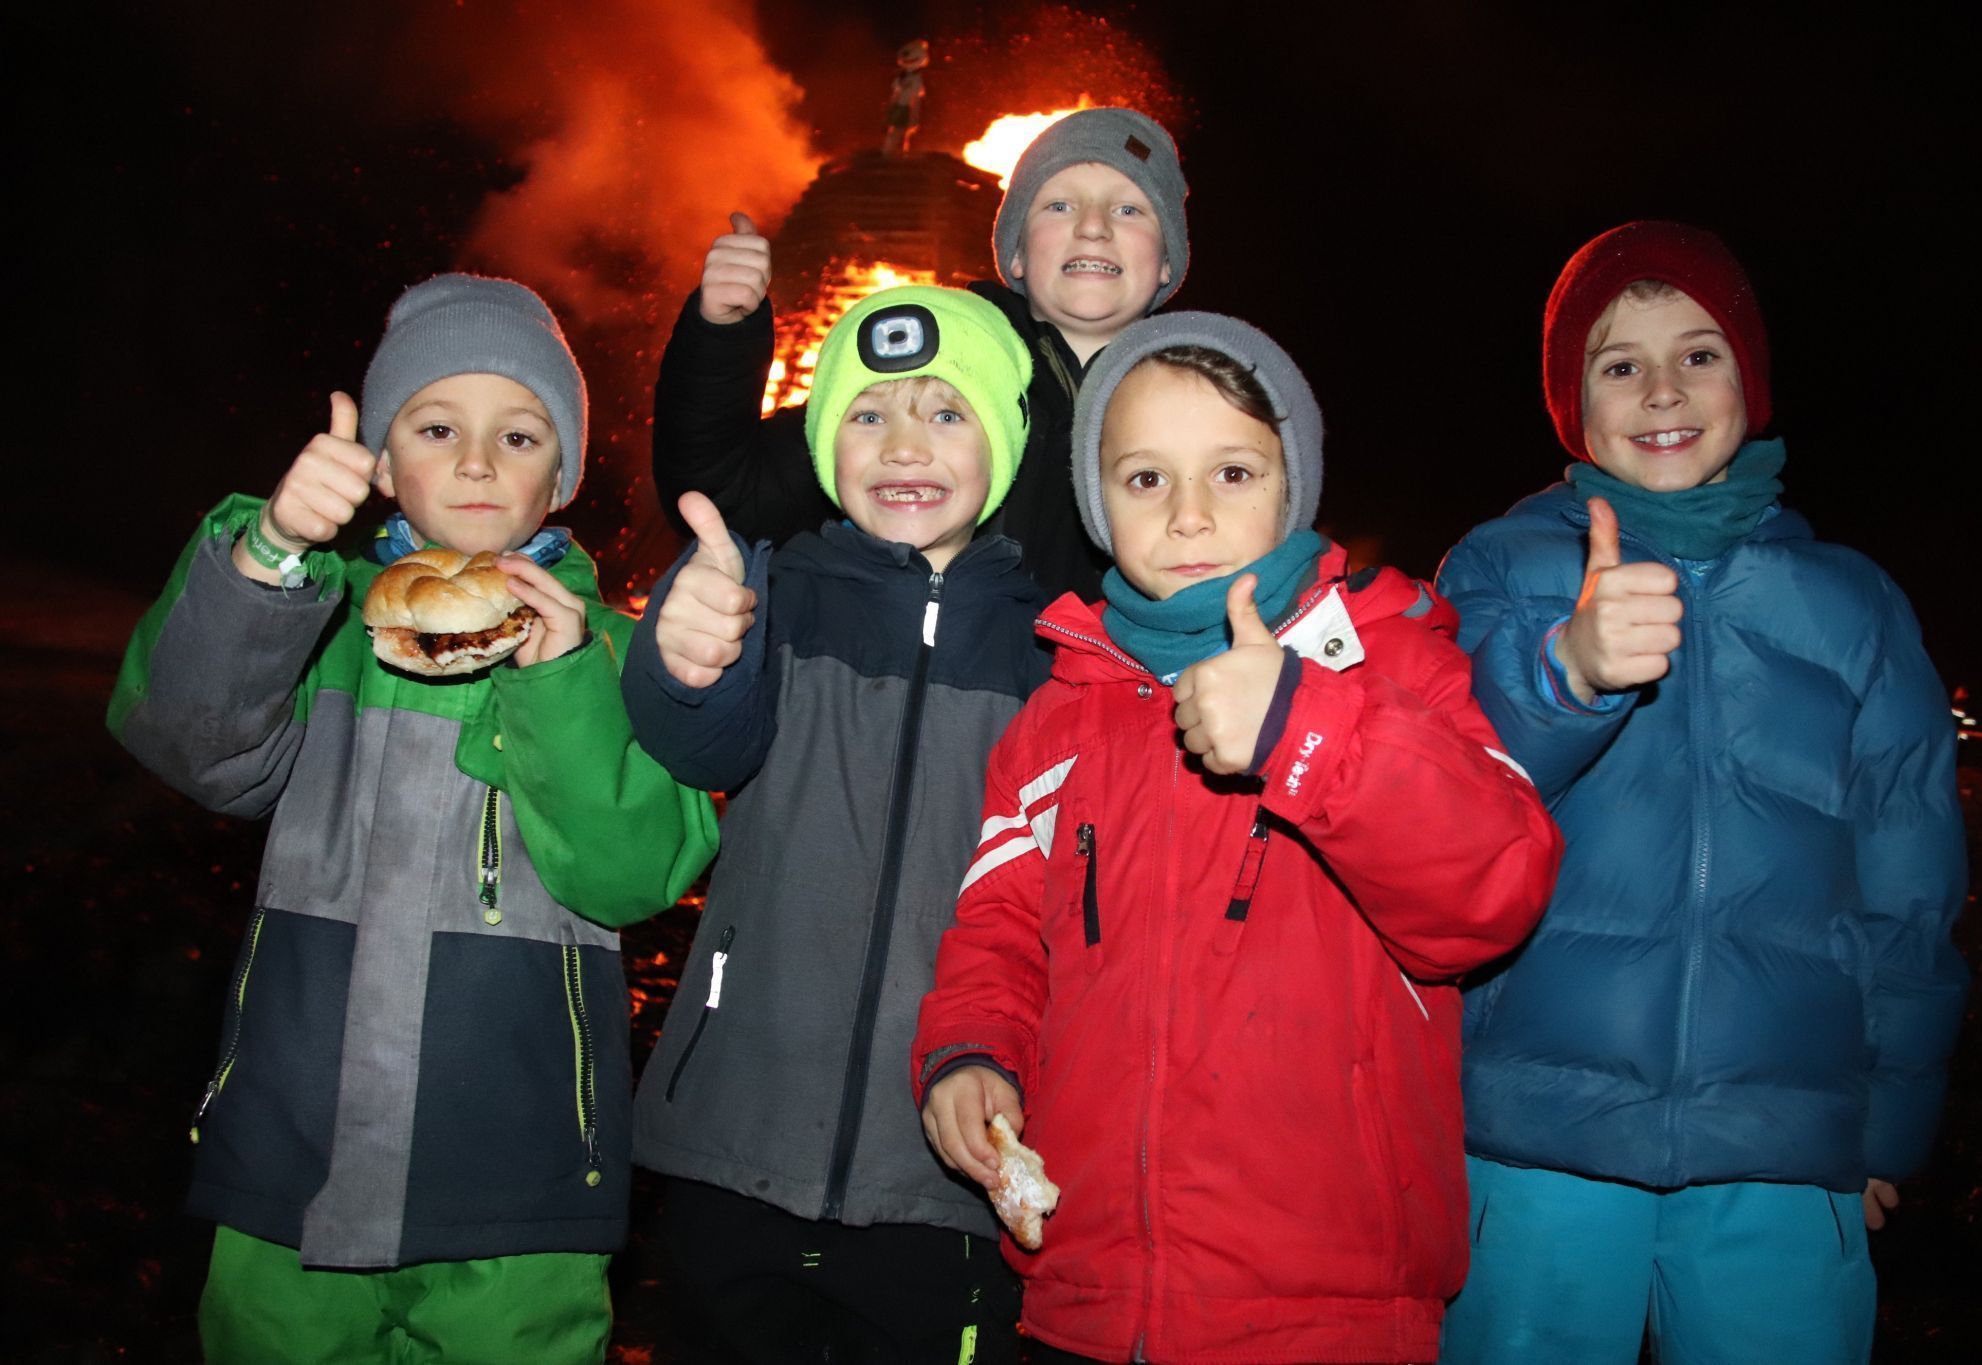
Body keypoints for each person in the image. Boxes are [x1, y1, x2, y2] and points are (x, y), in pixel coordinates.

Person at [912, 314, 1563, 1363]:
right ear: (1096, 503)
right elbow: (998, 931)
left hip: (1326, 1303)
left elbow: (1492, 892)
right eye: (1144, 479)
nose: (1187, 515)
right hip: (1084, 1294)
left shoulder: (1390, 665)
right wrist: (971, 1056)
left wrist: (1309, 731)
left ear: (1291, 483)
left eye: (1231, 472)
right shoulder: (1056, 718)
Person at [107, 274, 719, 1363]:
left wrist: (560, 684)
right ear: (382, 464)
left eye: (519, 435)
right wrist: (268, 555)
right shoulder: (320, 621)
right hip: (289, 1161)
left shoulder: (616, 651)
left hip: (517, 1183)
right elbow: (193, 744)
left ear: (561, 477)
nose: (478, 462)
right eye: (438, 428)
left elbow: (631, 874)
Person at [1433, 220, 1970, 1364]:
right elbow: (1441, 797)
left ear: (1749, 380)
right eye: (1617, 364)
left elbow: (1911, 886)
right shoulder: (1500, 567)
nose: (1661, 390)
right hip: (1535, 1143)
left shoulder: (1853, 604)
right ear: (1572, 403)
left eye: (1698, 353)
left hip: (1780, 1150)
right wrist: (1565, 672)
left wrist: (1887, 1123)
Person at [622, 286, 1051, 1363]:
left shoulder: (1049, 650)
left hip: (948, 1173)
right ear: (823, 446)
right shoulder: (779, 596)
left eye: (945, 413)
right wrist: (685, 652)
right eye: (867, 415)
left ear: (1004, 445)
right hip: (738, 1136)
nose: (903, 444)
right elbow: (699, 743)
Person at [652, 106, 1191, 599]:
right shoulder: (934, 362)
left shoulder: (1203, 402)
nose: (1093, 227)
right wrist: (722, 335)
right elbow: (731, 493)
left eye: (1128, 209)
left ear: (1167, 262)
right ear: (1016, 254)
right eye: (1059, 205)